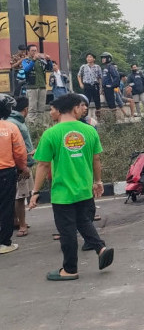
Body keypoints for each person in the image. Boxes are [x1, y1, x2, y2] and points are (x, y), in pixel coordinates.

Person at [28, 94, 114, 280]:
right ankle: (101, 248)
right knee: (84, 221)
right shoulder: (89, 130)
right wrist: (98, 182)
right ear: (75, 108)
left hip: (62, 192)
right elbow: (96, 159)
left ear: (59, 111)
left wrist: (35, 192)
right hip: (84, 189)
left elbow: (42, 165)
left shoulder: (51, 133)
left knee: (66, 230)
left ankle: (69, 269)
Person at [0, 94, 29, 255]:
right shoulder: (10, 128)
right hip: (5, 173)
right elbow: (19, 152)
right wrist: (23, 167)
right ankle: (4, 243)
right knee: (5, 207)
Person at [8, 96, 34, 237]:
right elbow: (18, 147)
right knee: (20, 195)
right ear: (26, 109)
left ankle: (15, 220)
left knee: (14, 195)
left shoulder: (12, 121)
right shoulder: (15, 123)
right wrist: (23, 165)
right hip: (20, 164)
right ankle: (22, 225)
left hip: (14, 164)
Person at [21, 44, 53, 123]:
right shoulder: (26, 61)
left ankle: (40, 125)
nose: (34, 52)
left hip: (42, 86)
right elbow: (26, 69)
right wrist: (33, 60)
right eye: (32, 51)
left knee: (41, 108)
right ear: (28, 52)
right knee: (32, 108)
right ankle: (31, 125)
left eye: (35, 50)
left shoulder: (41, 61)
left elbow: (49, 68)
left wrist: (49, 60)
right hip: (32, 87)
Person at [77, 53, 102, 118]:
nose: (89, 58)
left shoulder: (97, 67)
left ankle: (99, 117)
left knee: (97, 102)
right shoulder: (83, 66)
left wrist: (101, 88)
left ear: (94, 59)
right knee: (86, 101)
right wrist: (80, 83)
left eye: (90, 57)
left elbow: (100, 78)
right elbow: (79, 75)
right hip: (87, 85)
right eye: (87, 57)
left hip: (95, 85)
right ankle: (85, 117)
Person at [100, 52, 120, 117]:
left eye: (104, 58)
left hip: (110, 88)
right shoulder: (105, 67)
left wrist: (112, 85)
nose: (102, 59)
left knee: (111, 102)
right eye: (102, 58)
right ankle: (112, 118)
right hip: (105, 87)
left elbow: (116, 76)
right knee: (109, 102)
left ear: (108, 58)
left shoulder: (111, 67)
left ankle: (114, 118)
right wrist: (103, 87)